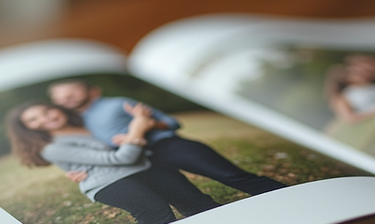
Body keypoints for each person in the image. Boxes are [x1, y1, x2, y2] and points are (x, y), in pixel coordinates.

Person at [5, 101, 218, 224]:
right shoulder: (51, 147)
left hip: (141, 166)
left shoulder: (86, 123)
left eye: (46, 111)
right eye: (33, 120)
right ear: (27, 129)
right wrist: (137, 130)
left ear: (56, 108)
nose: (44, 119)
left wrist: (134, 136)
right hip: (108, 182)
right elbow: (119, 159)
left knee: (195, 201)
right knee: (155, 211)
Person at [47, 80, 286, 195]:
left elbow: (172, 122)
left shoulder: (118, 103)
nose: (67, 98)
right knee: (190, 198)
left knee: (232, 177)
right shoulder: (76, 123)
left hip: (169, 146)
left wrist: (145, 125)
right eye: (61, 97)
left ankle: (286, 197)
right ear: (56, 103)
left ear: (92, 91)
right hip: (143, 163)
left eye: (72, 92)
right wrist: (74, 170)